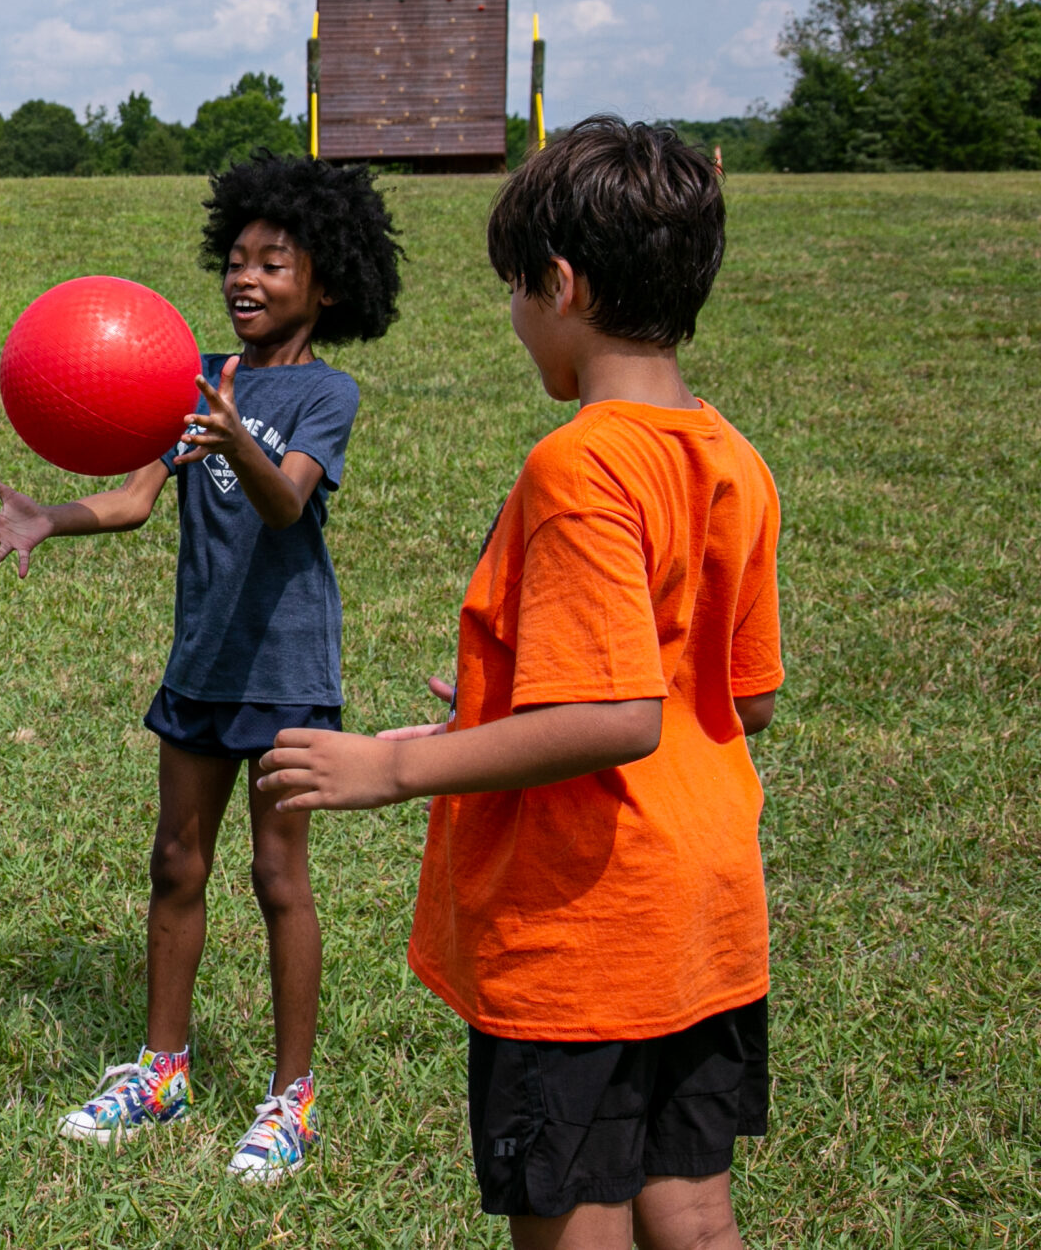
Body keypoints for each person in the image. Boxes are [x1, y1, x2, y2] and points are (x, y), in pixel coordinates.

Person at [257, 117, 779, 1247]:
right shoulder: (730, 453)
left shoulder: (580, 462)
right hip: (704, 911)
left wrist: (391, 765)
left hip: (583, 928)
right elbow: (738, 699)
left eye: (513, 292)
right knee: (692, 1212)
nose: (513, 320)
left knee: (571, 1217)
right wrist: (500, 713)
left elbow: (613, 715)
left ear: (560, 283)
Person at [0, 155, 403, 1179]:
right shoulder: (191, 377)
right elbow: (133, 498)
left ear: (325, 282)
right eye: (235, 260)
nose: (245, 278)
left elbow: (287, 501)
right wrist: (48, 518)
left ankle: (291, 1098)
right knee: (175, 865)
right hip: (199, 664)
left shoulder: (327, 392)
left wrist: (237, 436)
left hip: (287, 671)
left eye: (273, 263)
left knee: (278, 873)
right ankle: (161, 1070)